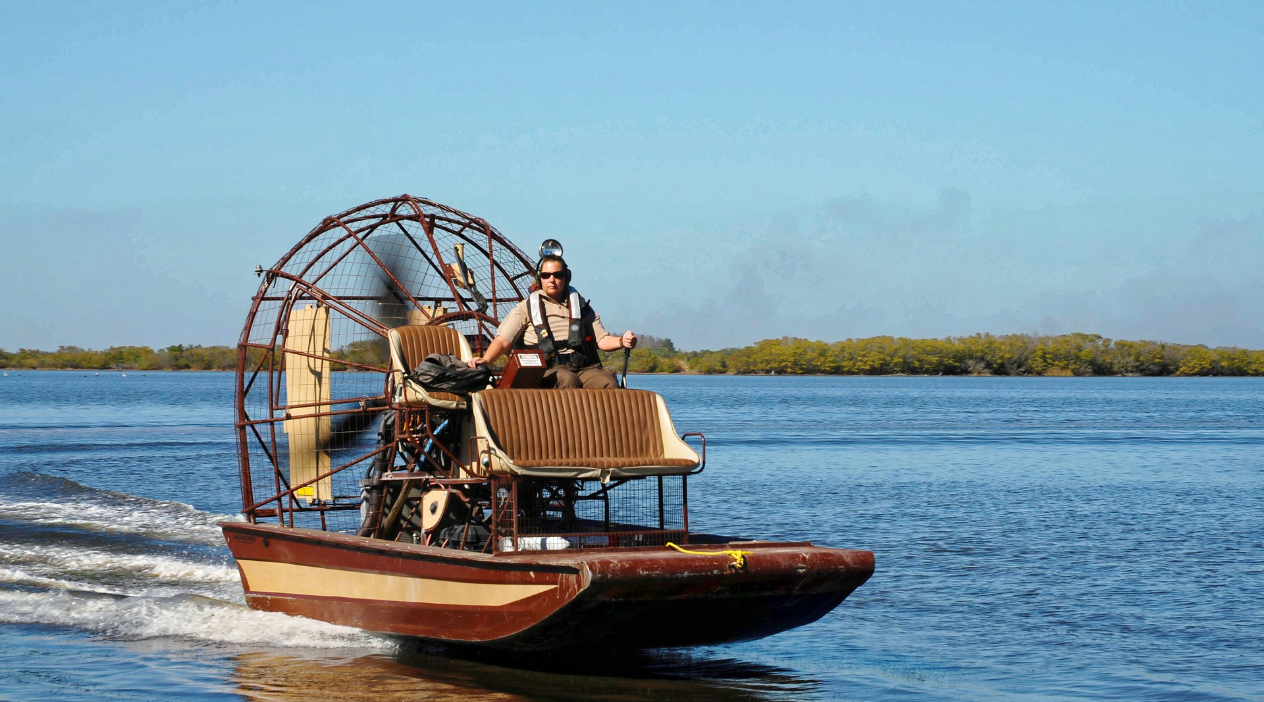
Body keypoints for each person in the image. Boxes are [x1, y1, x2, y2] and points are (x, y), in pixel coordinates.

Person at [467, 254, 636, 388]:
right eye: (546, 275)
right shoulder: (526, 307)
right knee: (567, 380)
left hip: (584, 368)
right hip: (549, 370)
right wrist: (486, 360)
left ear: (566, 277)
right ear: (540, 278)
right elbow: (503, 340)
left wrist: (623, 341)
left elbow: (602, 339)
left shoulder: (581, 306)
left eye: (557, 275)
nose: (552, 280)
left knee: (608, 383)